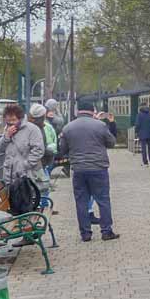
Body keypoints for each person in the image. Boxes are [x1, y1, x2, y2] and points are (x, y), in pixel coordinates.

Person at [58, 98, 119, 242]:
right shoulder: (100, 125)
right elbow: (111, 143)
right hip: (98, 168)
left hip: (78, 169)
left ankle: (85, 234)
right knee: (103, 200)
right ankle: (106, 231)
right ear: (93, 111)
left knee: (81, 201)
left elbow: (62, 149)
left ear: (78, 111)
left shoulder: (68, 127)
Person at [0, 103, 45, 212]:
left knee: (25, 205)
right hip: (9, 176)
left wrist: (25, 165)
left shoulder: (32, 130)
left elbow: (38, 150)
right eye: (8, 120)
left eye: (13, 120)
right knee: (13, 205)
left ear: (20, 118)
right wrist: (6, 137)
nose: (11, 123)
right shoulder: (7, 130)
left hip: (26, 176)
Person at [28, 103, 57, 213]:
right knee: (42, 185)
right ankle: (43, 206)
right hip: (38, 164)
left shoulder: (40, 127)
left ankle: (43, 206)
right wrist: (49, 150)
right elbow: (39, 148)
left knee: (43, 185)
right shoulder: (37, 128)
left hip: (41, 163)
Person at [136, 103, 150, 167]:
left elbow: (137, 125)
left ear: (140, 107)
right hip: (149, 133)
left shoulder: (139, 115)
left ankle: (145, 163)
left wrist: (136, 132)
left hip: (142, 134)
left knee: (143, 149)